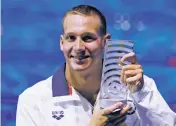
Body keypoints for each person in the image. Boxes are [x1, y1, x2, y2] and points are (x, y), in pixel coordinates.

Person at [16, 4, 176, 126]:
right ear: (61, 42)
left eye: (87, 38)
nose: (78, 47)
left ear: (105, 42)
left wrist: (141, 93)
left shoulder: (139, 87)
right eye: (71, 38)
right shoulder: (33, 101)